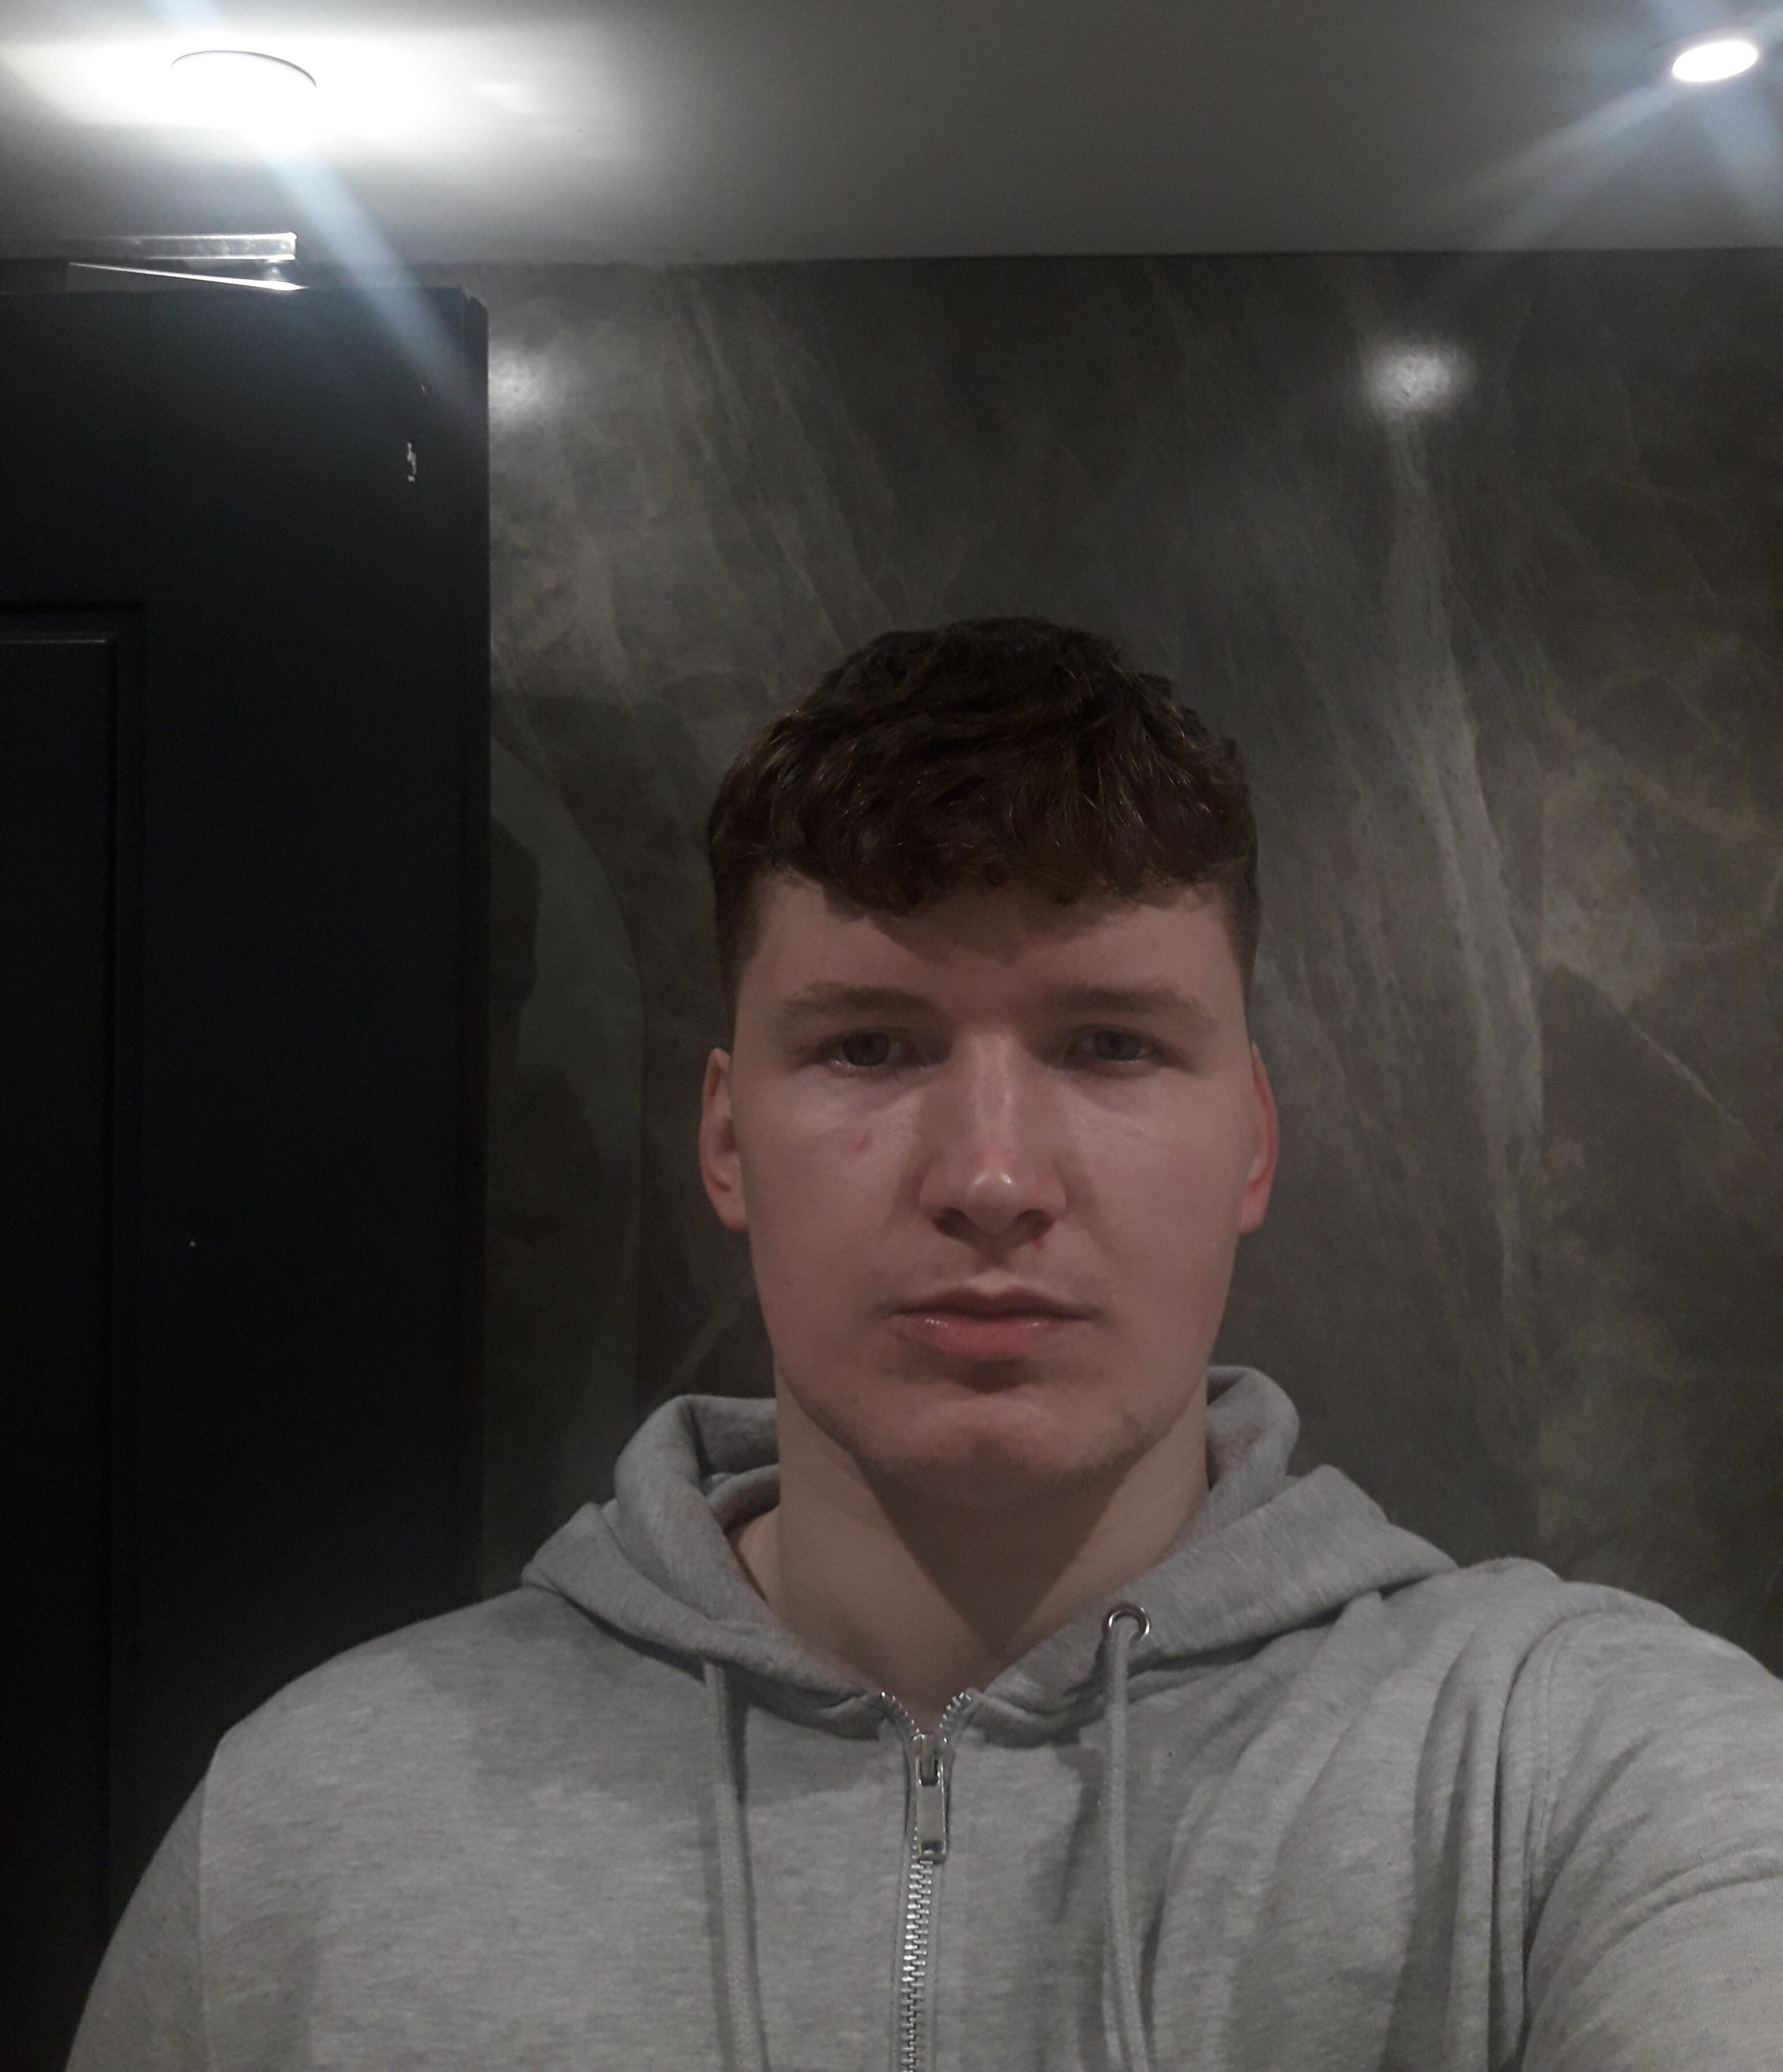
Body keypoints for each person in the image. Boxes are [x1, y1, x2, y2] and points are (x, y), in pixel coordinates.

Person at [73, 617, 1783, 2071]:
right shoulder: (313, 1830)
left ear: (1253, 1144)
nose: (989, 1179)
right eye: (872, 1048)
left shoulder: (1577, 1774)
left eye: (1109, 1045)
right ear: (726, 1143)